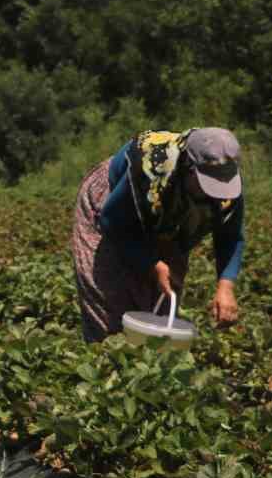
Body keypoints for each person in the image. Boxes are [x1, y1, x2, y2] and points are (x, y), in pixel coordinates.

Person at [71, 126, 245, 342]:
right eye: (208, 183)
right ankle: (109, 362)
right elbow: (112, 221)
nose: (216, 192)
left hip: (170, 213)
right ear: (188, 166)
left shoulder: (226, 178)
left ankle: (149, 364)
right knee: (110, 302)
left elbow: (230, 236)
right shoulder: (152, 167)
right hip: (115, 205)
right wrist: (151, 263)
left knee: (163, 300)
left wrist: (225, 286)